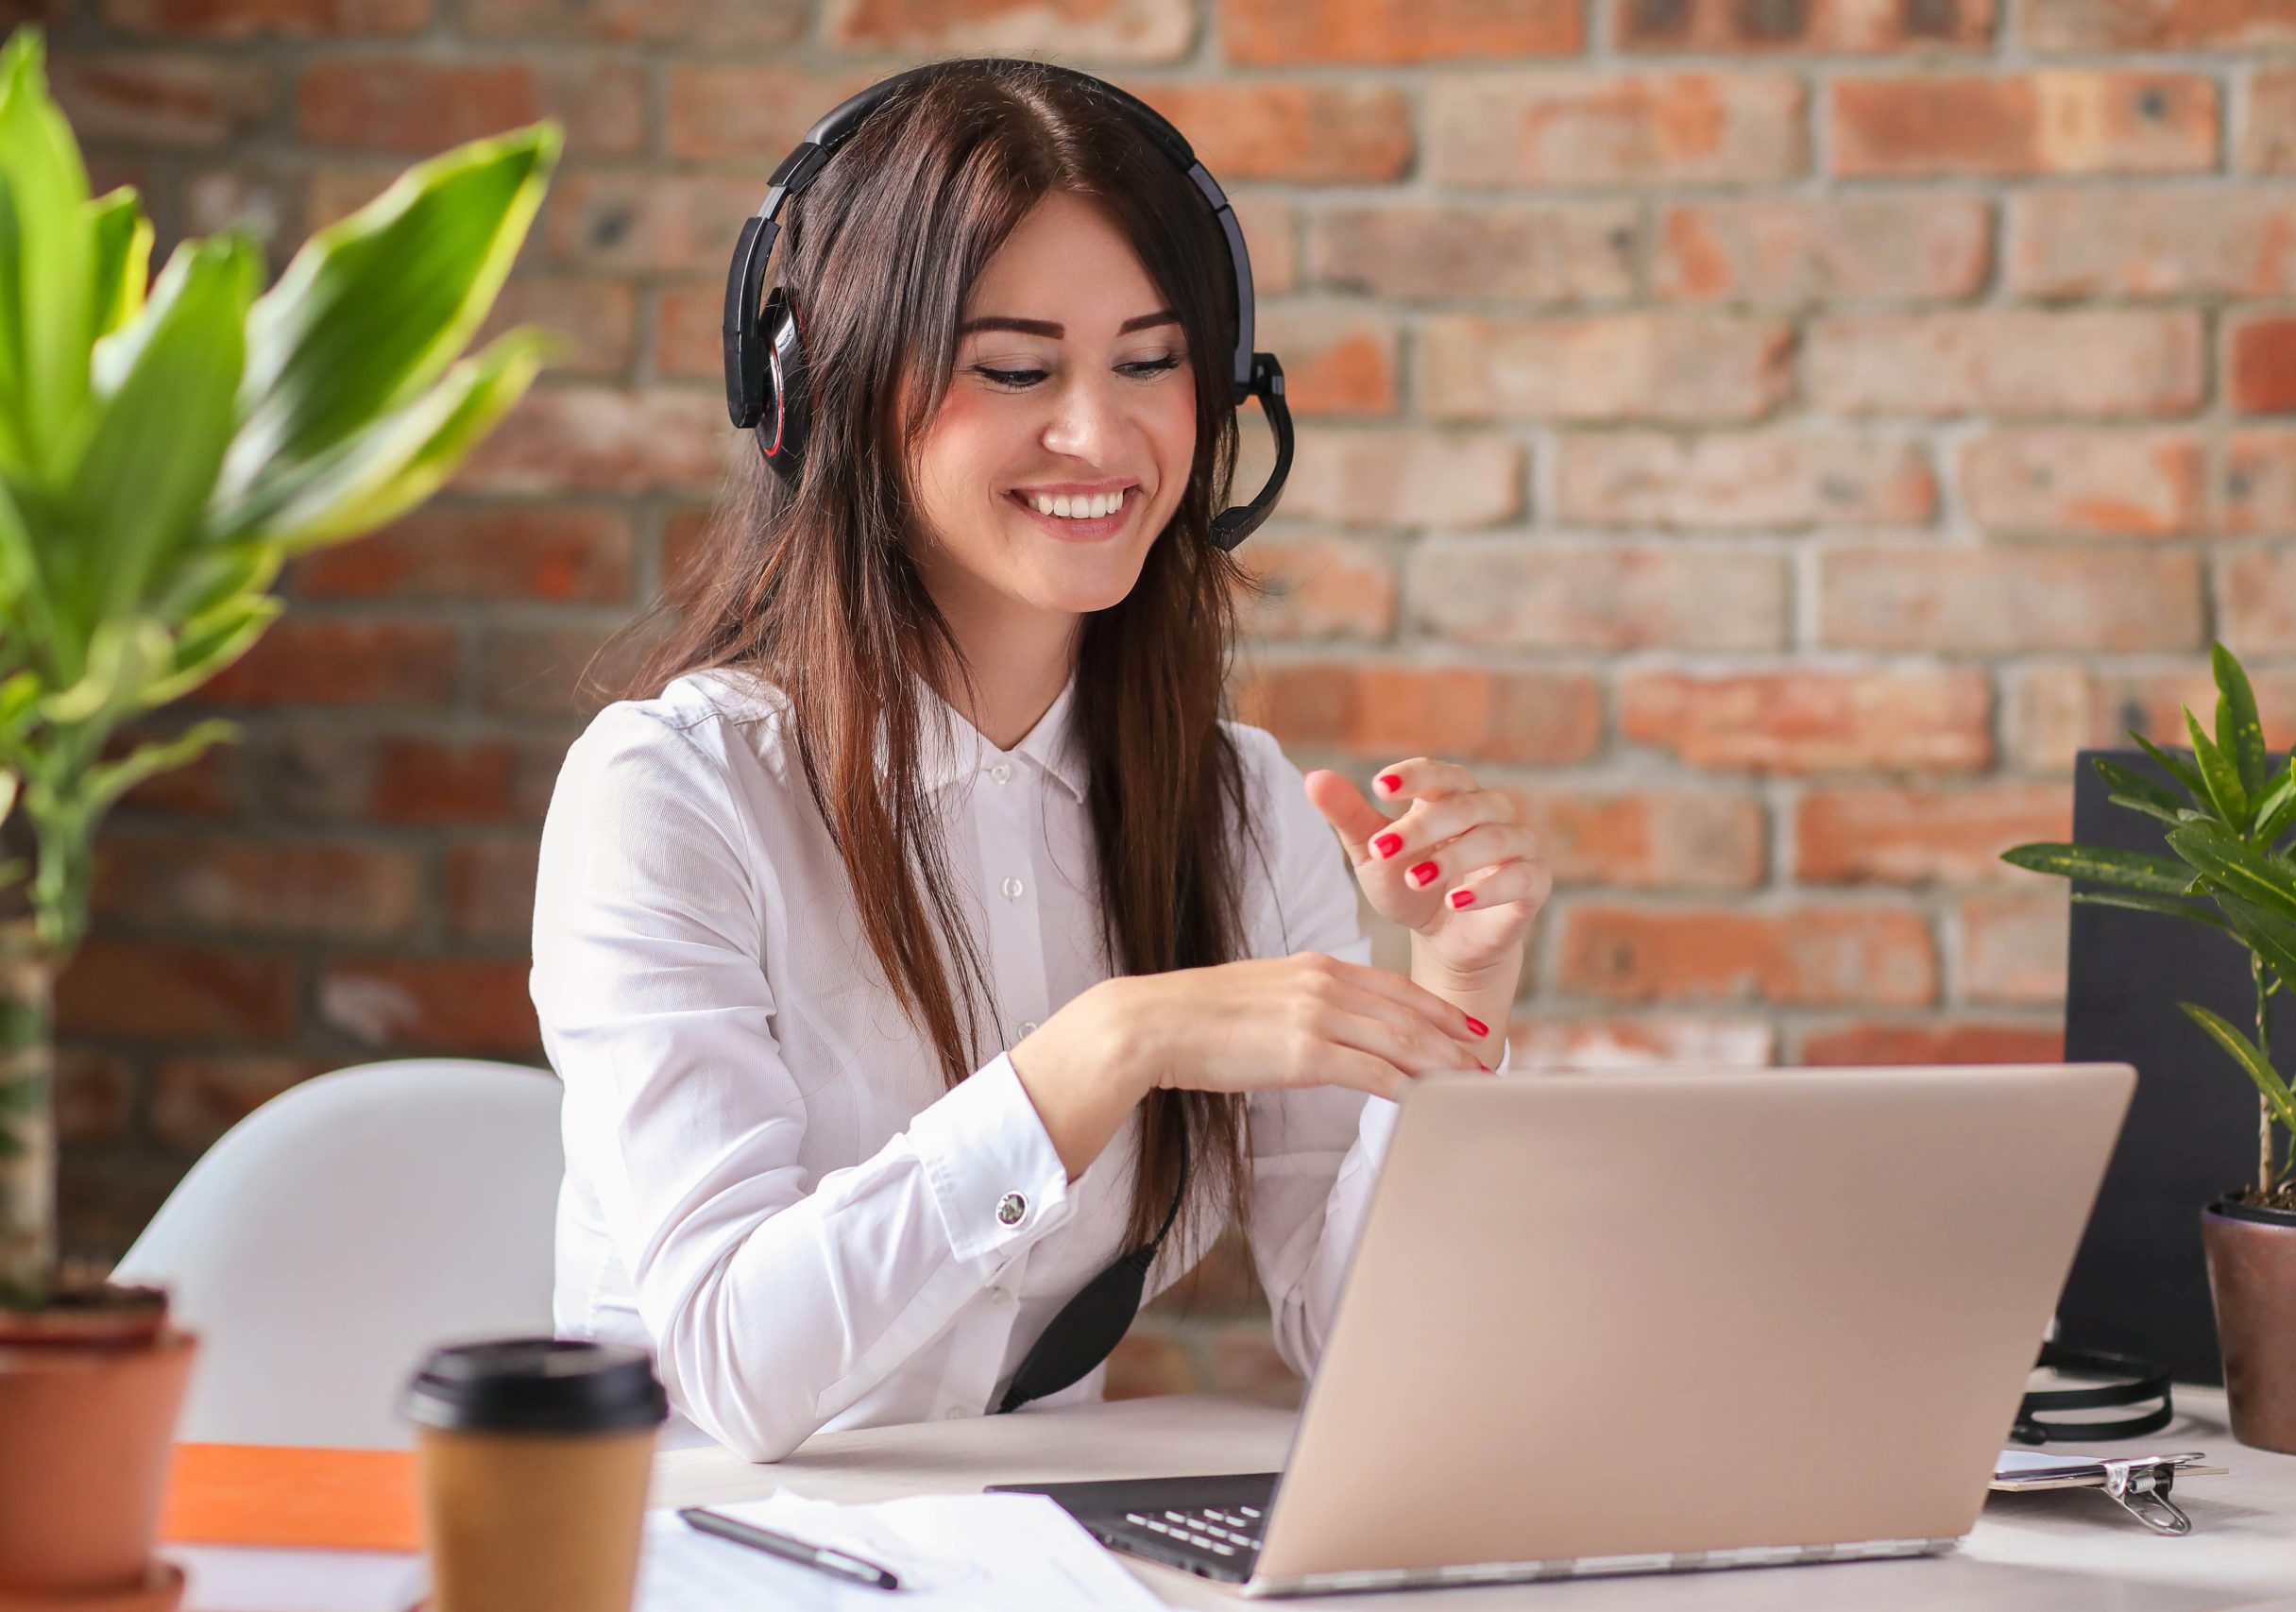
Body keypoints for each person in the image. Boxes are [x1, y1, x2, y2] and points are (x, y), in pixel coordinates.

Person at [530, 59, 1551, 1463]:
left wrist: (1457, 995)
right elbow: (729, 1364)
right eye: (1015, 369)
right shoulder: (673, 794)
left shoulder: (1242, 811)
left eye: (1150, 362)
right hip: (703, 1545)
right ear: (814, 394)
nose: (1099, 433)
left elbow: (1364, 1340)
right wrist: (1105, 1049)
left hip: (1036, 1552)